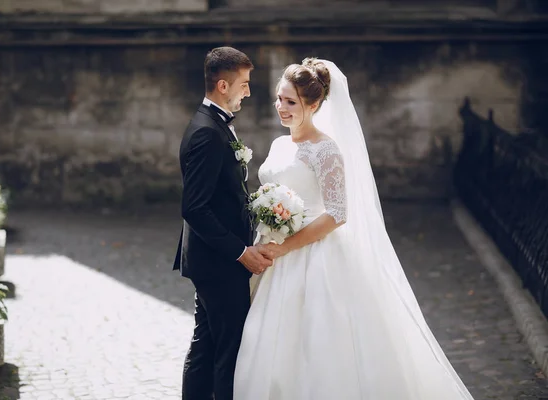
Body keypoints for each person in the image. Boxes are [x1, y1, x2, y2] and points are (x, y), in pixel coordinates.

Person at [233, 58, 475, 399]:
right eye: (279, 98)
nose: (281, 107)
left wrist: (286, 246)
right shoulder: (278, 145)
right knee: (266, 338)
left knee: (316, 346)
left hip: (314, 255)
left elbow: (336, 213)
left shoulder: (326, 150)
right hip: (272, 255)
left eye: (291, 102)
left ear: (313, 105)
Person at [173, 46, 272, 400]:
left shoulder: (214, 124)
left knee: (206, 346)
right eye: (244, 83)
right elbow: (195, 208)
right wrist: (241, 252)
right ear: (223, 85)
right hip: (219, 262)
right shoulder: (206, 133)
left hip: (212, 260)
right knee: (228, 352)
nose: (248, 90)